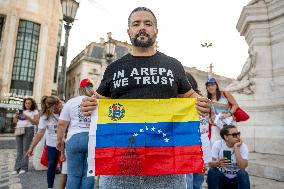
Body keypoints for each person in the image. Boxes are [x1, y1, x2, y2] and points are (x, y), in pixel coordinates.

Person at [81, 7, 211, 189]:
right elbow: (97, 100)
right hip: (120, 166)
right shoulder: (114, 68)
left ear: (156, 30)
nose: (142, 27)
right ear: (129, 31)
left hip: (167, 167)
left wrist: (203, 103)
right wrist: (87, 105)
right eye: (136, 24)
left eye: (148, 23)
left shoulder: (173, 65)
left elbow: (191, 96)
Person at [56, 78, 95, 189]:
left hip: (74, 139)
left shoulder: (71, 102)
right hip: (92, 140)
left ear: (80, 89)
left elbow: (61, 124)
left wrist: (59, 141)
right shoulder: (97, 102)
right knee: (89, 175)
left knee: (73, 175)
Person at [27, 95, 63, 189]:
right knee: (51, 165)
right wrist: (31, 148)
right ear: (51, 107)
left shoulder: (65, 109)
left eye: (60, 104)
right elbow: (40, 133)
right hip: (52, 143)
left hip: (65, 142)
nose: (60, 106)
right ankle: (50, 187)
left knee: (66, 165)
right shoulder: (45, 117)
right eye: (58, 105)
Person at [185, 73, 211, 189]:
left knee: (189, 181)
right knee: (198, 182)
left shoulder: (187, 103)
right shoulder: (204, 101)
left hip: (190, 148)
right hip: (203, 148)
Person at [207, 125, 250, 189]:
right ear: (226, 137)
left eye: (238, 134)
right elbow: (210, 163)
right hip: (223, 179)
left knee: (243, 173)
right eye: (234, 135)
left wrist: (236, 148)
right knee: (212, 171)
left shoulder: (243, 147)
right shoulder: (218, 144)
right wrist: (218, 163)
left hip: (236, 181)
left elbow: (243, 166)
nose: (238, 137)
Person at [206, 77, 238, 143]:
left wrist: (229, 114)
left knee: (231, 141)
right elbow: (211, 112)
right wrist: (210, 119)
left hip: (228, 122)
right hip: (216, 123)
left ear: (216, 86)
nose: (210, 87)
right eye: (208, 85)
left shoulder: (225, 94)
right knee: (214, 142)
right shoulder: (208, 98)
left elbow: (235, 105)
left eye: (212, 85)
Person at [12, 97, 39, 174]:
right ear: (24, 103)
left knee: (25, 149)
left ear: (32, 104)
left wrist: (25, 115)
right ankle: (16, 168)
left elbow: (35, 122)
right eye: (26, 103)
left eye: (29, 103)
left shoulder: (34, 111)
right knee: (18, 150)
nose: (27, 104)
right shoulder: (20, 110)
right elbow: (14, 122)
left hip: (28, 129)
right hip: (19, 129)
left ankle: (24, 168)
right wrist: (15, 116)